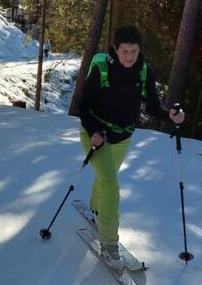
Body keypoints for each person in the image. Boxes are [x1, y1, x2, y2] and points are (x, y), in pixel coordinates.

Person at [78, 25, 184, 270]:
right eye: (124, 51)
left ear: (139, 50)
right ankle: (109, 245)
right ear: (115, 49)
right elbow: (83, 106)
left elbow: (153, 107)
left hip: (123, 137)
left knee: (106, 178)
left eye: (133, 51)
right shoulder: (103, 70)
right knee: (111, 185)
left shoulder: (144, 72)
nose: (128, 56)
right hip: (95, 135)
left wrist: (171, 115)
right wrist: (94, 131)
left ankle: (96, 208)